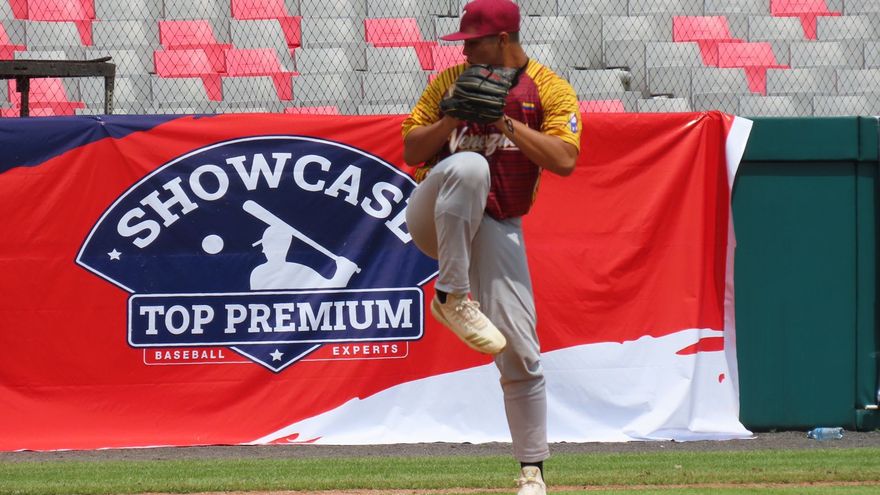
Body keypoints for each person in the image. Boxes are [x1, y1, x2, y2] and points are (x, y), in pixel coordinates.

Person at [401, 0, 582, 493]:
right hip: (435, 217)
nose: (464, 52)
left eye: (473, 42)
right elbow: (411, 150)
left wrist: (505, 123)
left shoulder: (548, 88)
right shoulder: (448, 83)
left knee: (520, 349)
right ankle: (451, 295)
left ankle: (532, 471)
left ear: (502, 40)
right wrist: (450, 120)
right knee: (469, 166)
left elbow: (565, 159)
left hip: (497, 222)